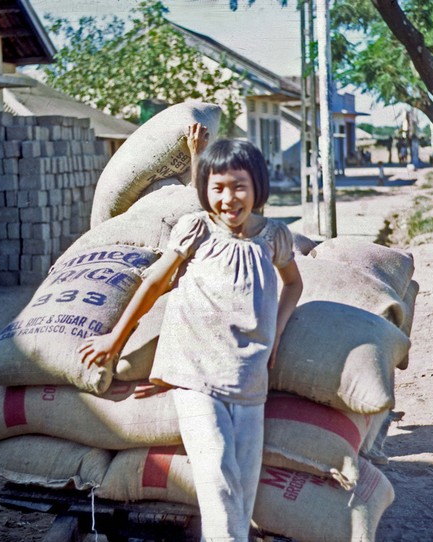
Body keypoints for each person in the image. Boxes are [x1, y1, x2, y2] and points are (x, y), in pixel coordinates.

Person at [78, 123, 304, 541]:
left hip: (249, 376)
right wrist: (115, 340)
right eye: (218, 188)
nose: (227, 198)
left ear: (258, 187)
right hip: (195, 372)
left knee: (243, 484)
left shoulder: (275, 237)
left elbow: (293, 284)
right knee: (216, 472)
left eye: (239, 187)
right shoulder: (197, 230)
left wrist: (278, 328)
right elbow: (154, 284)